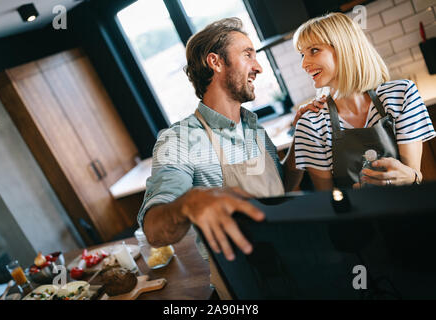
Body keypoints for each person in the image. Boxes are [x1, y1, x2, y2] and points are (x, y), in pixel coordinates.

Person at [137, 18, 309, 299]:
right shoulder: (179, 140)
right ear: (215, 62)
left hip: (294, 263)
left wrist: (300, 141)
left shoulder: (253, 125)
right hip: (244, 285)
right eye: (247, 54)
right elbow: (155, 230)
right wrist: (188, 203)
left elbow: (282, 189)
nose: (258, 67)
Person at [287, 12, 435, 190]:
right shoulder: (311, 124)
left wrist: (411, 176)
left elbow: (414, 176)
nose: (304, 64)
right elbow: (330, 199)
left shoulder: (401, 95)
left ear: (345, 47)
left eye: (314, 50)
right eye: (302, 55)